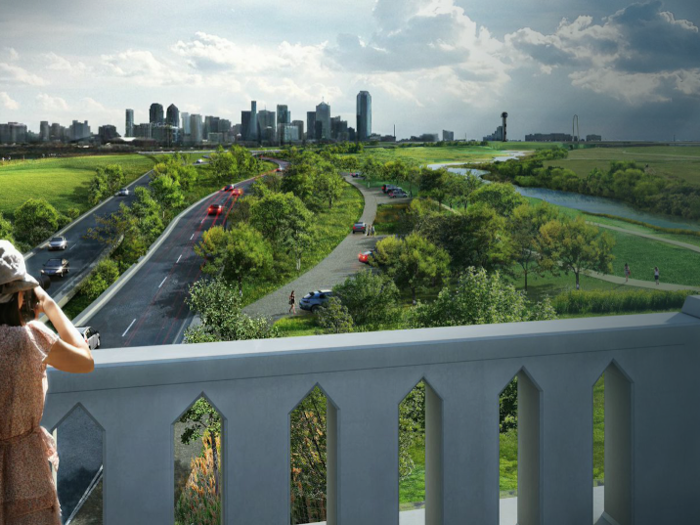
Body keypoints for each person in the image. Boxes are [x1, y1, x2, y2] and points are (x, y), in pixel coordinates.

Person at [0, 240, 94, 525]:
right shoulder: (31, 338)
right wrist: (50, 305)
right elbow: (85, 360)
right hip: (25, 472)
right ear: (20, 293)